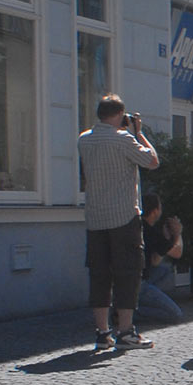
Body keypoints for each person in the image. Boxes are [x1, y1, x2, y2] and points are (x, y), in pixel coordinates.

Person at [78, 94, 160, 350]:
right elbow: (152, 162)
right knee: (128, 273)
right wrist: (138, 133)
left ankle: (102, 332)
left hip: (95, 217)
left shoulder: (84, 139)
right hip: (124, 216)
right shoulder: (123, 139)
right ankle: (125, 331)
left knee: (99, 273)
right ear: (119, 115)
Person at [137, 193, 184, 325]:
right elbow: (177, 253)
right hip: (139, 283)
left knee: (164, 269)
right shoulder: (150, 231)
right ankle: (134, 311)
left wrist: (167, 240)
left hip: (132, 278)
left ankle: (140, 302)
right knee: (176, 315)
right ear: (155, 211)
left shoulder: (140, 227)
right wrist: (177, 233)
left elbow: (155, 260)